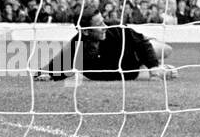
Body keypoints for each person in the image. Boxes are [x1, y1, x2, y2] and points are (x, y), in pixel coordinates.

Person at [37, 8, 175, 82]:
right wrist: (46, 75)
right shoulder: (77, 47)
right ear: (85, 32)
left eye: (103, 21)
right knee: (160, 71)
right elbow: (54, 68)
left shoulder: (115, 28)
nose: (104, 27)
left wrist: (154, 68)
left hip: (134, 54)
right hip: (128, 72)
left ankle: (157, 62)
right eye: (98, 24)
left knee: (166, 50)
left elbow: (141, 43)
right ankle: (159, 67)